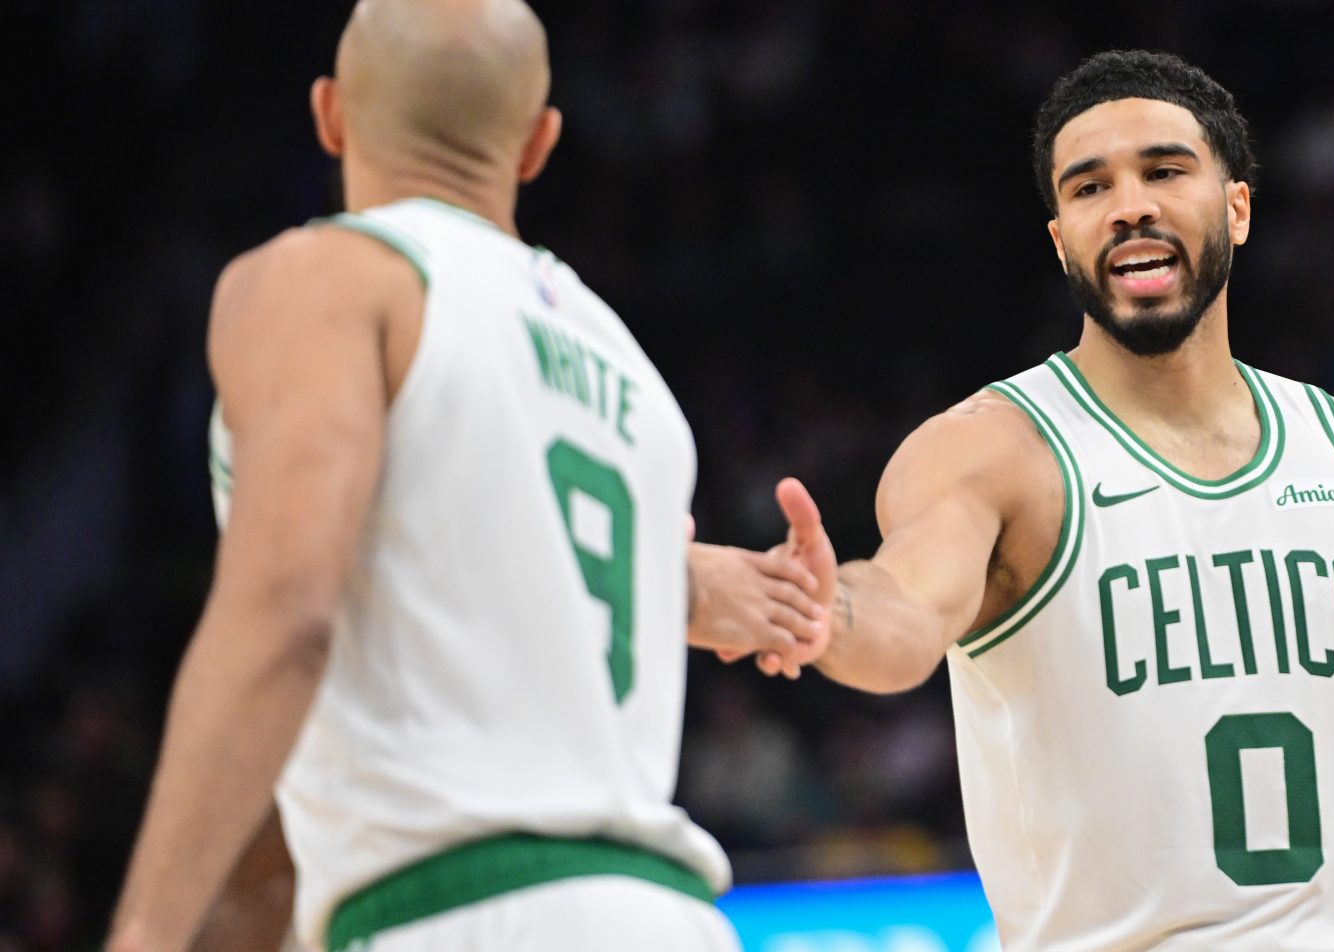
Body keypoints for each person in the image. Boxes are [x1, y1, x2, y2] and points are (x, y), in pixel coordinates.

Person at [762, 50, 1334, 950]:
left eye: (1164, 171)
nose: (1129, 205)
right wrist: (827, 609)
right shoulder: (992, 452)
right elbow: (904, 614)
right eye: (1090, 187)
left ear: (1237, 209)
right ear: (1061, 241)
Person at [105, 1, 828, 949]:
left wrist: (146, 931)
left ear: (330, 114)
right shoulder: (634, 377)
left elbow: (285, 613)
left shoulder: (326, 278)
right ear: (538, 143)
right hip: (673, 915)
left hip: (461, 912)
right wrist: (684, 584)